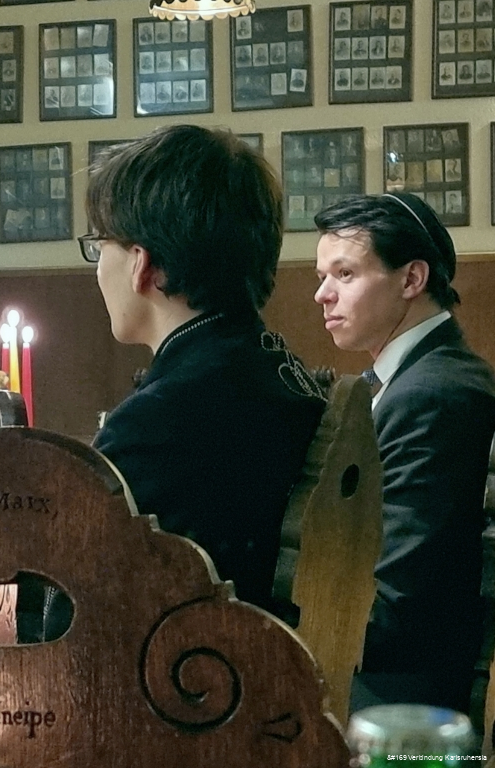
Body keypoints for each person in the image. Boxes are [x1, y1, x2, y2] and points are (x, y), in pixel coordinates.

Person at [16, 126, 328, 644]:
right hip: (261, 664)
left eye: (100, 245)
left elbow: (64, 624)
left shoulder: (160, 422)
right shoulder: (276, 370)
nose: (99, 268)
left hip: (190, 679)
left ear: (141, 264)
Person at [314, 192, 495, 714]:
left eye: (344, 274)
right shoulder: (416, 378)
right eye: (322, 277)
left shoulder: (435, 392)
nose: (322, 294)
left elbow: (401, 593)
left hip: (402, 707)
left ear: (412, 279)